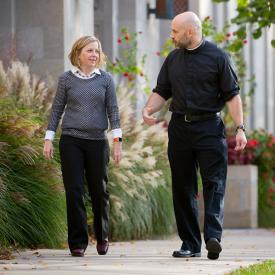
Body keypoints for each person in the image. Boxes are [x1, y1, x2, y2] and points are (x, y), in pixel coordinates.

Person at [142, 12, 247, 260]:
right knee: (183, 186)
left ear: (191, 31)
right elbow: (162, 91)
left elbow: (232, 95)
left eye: (175, 31)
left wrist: (240, 128)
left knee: (214, 183)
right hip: (179, 128)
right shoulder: (172, 59)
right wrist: (148, 109)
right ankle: (190, 243)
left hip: (209, 128)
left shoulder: (218, 57)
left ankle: (212, 237)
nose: (171, 36)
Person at [43, 36, 122, 257]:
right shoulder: (66, 79)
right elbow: (57, 110)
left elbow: (113, 111)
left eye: (97, 51)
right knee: (75, 191)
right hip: (71, 141)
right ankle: (77, 242)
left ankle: (102, 235)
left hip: (97, 142)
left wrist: (117, 142)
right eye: (89, 51)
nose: (94, 55)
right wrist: (48, 138)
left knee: (99, 191)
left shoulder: (105, 79)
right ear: (78, 53)